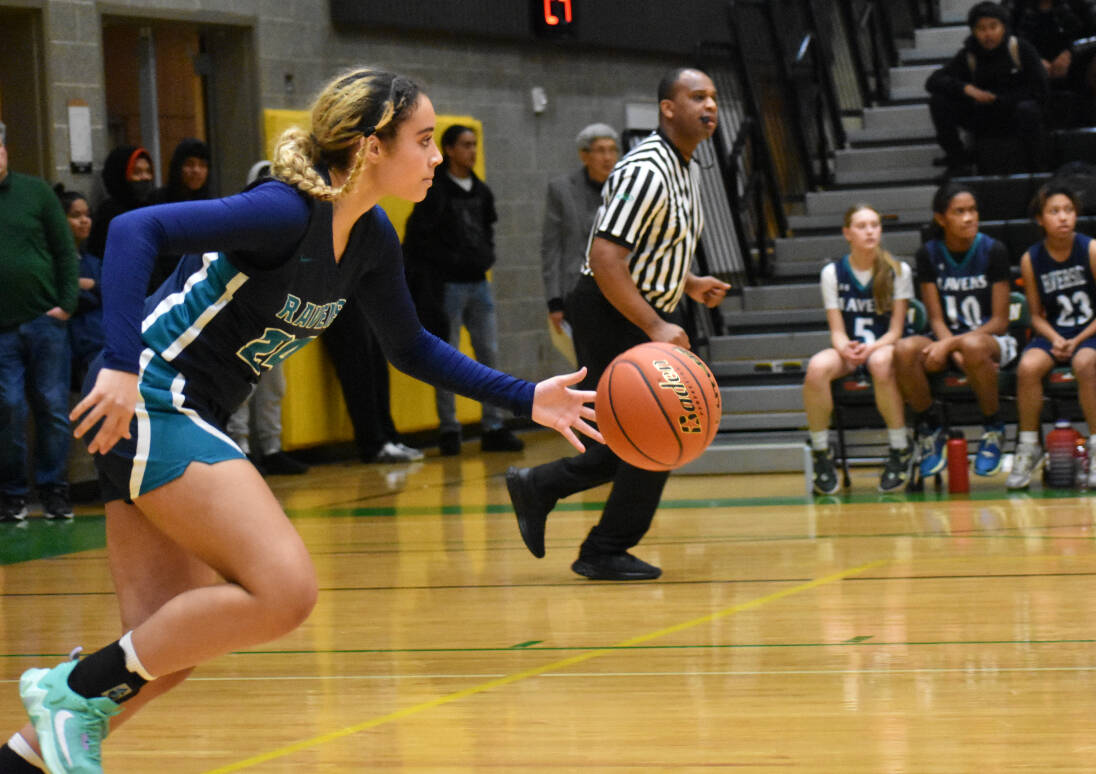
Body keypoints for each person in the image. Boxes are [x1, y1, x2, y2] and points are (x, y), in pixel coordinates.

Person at [2, 68, 599, 774]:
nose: (436, 156)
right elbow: (136, 228)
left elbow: (409, 346)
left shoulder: (371, 238)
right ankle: (69, 692)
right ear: (371, 147)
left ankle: (27, 754)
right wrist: (121, 364)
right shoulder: (285, 212)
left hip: (179, 414)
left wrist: (528, 398)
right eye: (424, 140)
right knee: (284, 591)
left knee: (163, 648)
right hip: (155, 396)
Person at [504, 67, 730, 581]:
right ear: (668, 108)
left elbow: (649, 247)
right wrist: (655, 324)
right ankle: (601, 546)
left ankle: (540, 489)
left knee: (635, 438)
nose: (710, 106)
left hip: (642, 309)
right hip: (613, 311)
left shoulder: (687, 165)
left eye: (713, 97)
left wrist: (688, 282)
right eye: (697, 97)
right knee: (658, 433)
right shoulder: (646, 168)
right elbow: (606, 259)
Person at [402, 124, 524, 456]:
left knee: (489, 355)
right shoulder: (435, 191)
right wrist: (444, 265)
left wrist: (487, 256)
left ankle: (493, 426)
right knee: (447, 357)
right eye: (466, 145)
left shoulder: (482, 191)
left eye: (475, 145)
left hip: (479, 284)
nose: (472, 151)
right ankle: (449, 429)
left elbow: (487, 231)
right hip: (447, 287)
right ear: (450, 150)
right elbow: (416, 240)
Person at [895, 182, 1015, 481]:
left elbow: (1000, 320)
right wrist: (948, 345)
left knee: (974, 346)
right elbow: (935, 317)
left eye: (973, 210)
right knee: (904, 349)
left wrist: (951, 347)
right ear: (941, 219)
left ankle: (993, 428)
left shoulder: (994, 250)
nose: (969, 218)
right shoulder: (928, 254)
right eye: (959, 212)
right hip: (947, 337)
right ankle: (930, 428)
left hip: (993, 340)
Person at [802, 204, 915, 495]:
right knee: (816, 367)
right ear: (847, 233)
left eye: (875, 225)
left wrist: (870, 348)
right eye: (862, 226)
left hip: (884, 346)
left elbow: (896, 331)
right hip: (851, 351)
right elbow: (837, 331)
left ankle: (900, 448)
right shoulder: (832, 273)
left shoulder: (897, 270)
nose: (870, 231)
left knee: (879, 362)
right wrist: (845, 348)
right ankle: (821, 453)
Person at [0, 122, 79, 523]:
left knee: (51, 407)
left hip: (46, 321)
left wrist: (66, 305)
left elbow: (66, 252)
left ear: (5, 151)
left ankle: (53, 491)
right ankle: (12, 494)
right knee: (8, 407)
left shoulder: (37, 192)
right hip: (1, 331)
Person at [1007, 183, 1096, 488]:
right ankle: (1029, 445)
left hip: (1090, 330)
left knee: (1085, 364)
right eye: (1054, 211)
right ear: (1040, 219)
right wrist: (1056, 338)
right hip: (1055, 332)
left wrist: (1077, 339)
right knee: (1027, 367)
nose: (1063, 217)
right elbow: (1034, 315)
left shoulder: (1091, 249)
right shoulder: (1031, 259)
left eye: (1068, 210)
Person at [224, 160, 310, 476]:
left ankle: (272, 448)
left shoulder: (296, 226)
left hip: (277, 318)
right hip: (242, 317)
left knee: (274, 386)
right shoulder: (240, 223)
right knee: (240, 386)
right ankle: (240, 448)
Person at [926, 1, 1050, 175]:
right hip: (984, 115)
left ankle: (1038, 168)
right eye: (981, 29)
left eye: (993, 27)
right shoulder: (969, 53)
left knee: (1028, 110)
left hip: (1017, 113)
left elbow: (1040, 89)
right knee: (939, 101)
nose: (988, 34)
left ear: (1004, 27)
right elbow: (933, 81)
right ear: (974, 31)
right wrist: (966, 89)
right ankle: (958, 160)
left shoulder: (1020, 48)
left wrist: (1002, 99)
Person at [322, 289, 425, 463]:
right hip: (335, 293)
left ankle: (389, 436)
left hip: (361, 290)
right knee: (357, 366)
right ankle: (373, 443)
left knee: (377, 364)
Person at [541, 123, 620, 335]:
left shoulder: (624, 189)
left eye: (612, 150)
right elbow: (552, 247)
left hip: (620, 287)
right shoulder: (561, 189)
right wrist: (554, 300)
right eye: (601, 150)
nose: (608, 157)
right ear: (584, 155)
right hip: (578, 289)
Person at [55, 186, 106, 391]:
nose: (84, 221)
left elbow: (109, 292)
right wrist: (93, 292)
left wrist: (92, 285)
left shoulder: (92, 261)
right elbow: (69, 298)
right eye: (76, 216)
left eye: (87, 215)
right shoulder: (53, 262)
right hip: (72, 347)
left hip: (99, 342)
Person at [146, 138, 213, 292]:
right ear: (178, 167)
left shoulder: (212, 205)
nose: (196, 170)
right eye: (190, 164)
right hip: (161, 285)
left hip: (200, 287)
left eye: (202, 165)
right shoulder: (159, 201)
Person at [86, 145, 154, 260]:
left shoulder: (152, 207)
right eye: (137, 172)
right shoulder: (108, 214)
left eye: (148, 171)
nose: (145, 177)